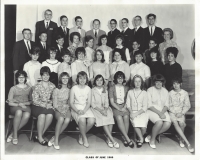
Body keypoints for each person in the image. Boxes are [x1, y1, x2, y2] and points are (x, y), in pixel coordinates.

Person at [91, 75, 119, 148]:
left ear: (103, 82)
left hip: (105, 108)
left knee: (110, 117)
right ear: (95, 82)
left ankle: (108, 138)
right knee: (104, 119)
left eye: (101, 80)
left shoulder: (105, 90)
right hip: (96, 109)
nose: (99, 82)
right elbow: (92, 103)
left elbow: (107, 102)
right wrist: (101, 111)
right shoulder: (92, 90)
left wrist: (105, 110)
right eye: (97, 80)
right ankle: (112, 140)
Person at [109, 71, 134, 148]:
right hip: (115, 106)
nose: (120, 80)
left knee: (126, 117)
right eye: (118, 78)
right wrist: (119, 108)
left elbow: (128, 100)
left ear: (123, 79)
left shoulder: (126, 88)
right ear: (115, 79)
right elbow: (112, 102)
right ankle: (127, 139)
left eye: (121, 78)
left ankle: (125, 138)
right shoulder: (112, 88)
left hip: (125, 106)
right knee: (119, 117)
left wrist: (124, 107)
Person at [168, 77, 194, 153]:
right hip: (172, 112)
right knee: (175, 123)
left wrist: (182, 113)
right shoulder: (170, 93)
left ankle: (181, 139)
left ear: (181, 84)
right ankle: (188, 143)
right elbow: (168, 105)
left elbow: (187, 105)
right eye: (174, 84)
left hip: (181, 112)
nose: (176, 85)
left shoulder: (185, 93)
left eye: (177, 84)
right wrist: (175, 112)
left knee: (182, 123)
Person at [70, 71, 95, 148]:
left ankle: (81, 134)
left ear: (86, 79)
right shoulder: (74, 88)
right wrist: (77, 111)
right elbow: (71, 103)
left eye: (84, 78)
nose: (82, 80)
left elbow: (88, 103)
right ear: (77, 79)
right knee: (82, 120)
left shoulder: (88, 88)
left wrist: (84, 110)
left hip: (86, 108)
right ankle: (84, 138)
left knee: (92, 121)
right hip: (76, 108)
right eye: (80, 78)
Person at [145, 74, 171, 149]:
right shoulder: (150, 90)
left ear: (163, 82)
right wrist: (159, 113)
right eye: (157, 82)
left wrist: (162, 113)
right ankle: (152, 140)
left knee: (167, 123)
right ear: (154, 82)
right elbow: (149, 105)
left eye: (160, 82)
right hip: (152, 110)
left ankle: (150, 135)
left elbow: (167, 104)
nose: (159, 84)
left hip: (163, 110)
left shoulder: (165, 91)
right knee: (159, 122)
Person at [31, 66, 56, 146]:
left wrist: (50, 104)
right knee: (41, 116)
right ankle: (41, 138)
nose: (45, 77)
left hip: (49, 106)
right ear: (41, 76)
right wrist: (45, 105)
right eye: (44, 75)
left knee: (50, 115)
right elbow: (35, 100)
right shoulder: (37, 86)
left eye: (47, 75)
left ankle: (39, 135)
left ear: (49, 76)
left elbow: (54, 98)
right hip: (37, 106)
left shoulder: (53, 86)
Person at [6, 71, 32, 145]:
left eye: (23, 77)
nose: (21, 79)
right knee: (19, 112)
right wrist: (19, 104)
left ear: (25, 78)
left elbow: (31, 101)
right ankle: (15, 136)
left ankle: (12, 133)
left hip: (26, 106)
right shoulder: (13, 88)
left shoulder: (29, 88)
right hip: (15, 106)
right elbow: (9, 102)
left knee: (27, 115)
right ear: (17, 78)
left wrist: (23, 104)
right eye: (19, 77)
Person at [48, 72, 71, 150]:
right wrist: (60, 110)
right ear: (60, 79)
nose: (65, 80)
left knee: (67, 119)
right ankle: (56, 140)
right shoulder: (56, 90)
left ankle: (54, 137)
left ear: (68, 79)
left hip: (66, 108)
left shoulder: (70, 90)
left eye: (66, 78)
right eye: (63, 78)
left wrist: (65, 109)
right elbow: (54, 104)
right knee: (61, 119)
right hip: (57, 108)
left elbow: (69, 103)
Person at [126, 75, 148, 148]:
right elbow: (128, 104)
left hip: (142, 112)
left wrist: (136, 114)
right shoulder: (130, 92)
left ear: (141, 83)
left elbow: (145, 107)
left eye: (139, 81)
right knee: (135, 123)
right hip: (132, 111)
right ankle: (141, 139)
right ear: (133, 82)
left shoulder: (144, 93)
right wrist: (132, 113)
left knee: (143, 127)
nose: (137, 83)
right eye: (136, 81)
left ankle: (139, 137)